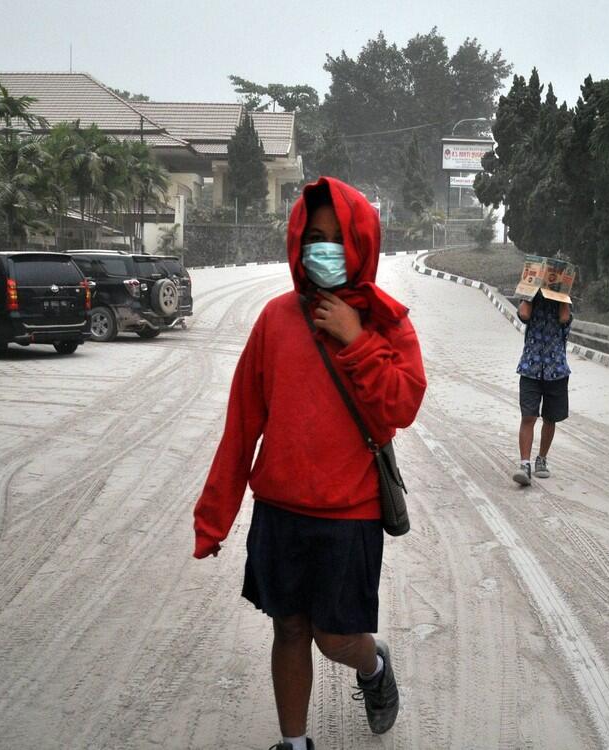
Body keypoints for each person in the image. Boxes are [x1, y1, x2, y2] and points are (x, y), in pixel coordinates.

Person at [193, 176, 427, 750]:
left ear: (360, 243)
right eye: (312, 237)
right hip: (280, 513)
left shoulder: (384, 323)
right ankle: (295, 743)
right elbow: (242, 423)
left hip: (349, 516)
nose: (322, 249)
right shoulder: (274, 320)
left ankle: (372, 666)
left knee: (334, 638)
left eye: (336, 237)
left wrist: (356, 341)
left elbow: (402, 405)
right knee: (289, 629)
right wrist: (215, 515)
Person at [513, 290, 572, 486]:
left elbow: (564, 318)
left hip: (556, 370)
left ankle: (542, 459)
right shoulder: (531, 302)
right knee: (528, 416)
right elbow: (524, 314)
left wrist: (562, 293)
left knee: (550, 418)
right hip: (530, 368)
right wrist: (529, 290)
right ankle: (524, 465)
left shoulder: (564, 304)